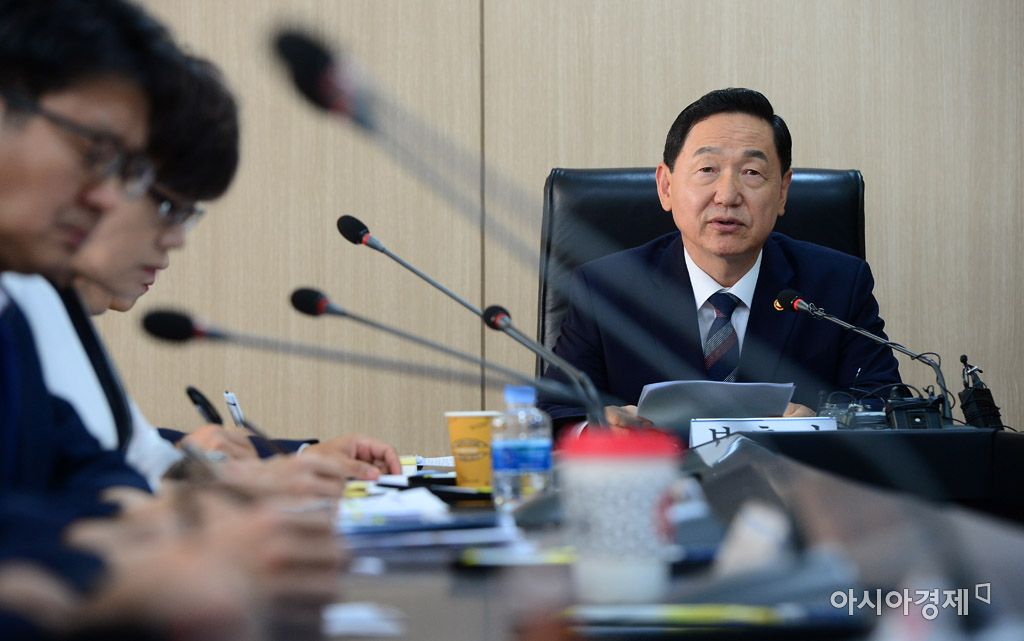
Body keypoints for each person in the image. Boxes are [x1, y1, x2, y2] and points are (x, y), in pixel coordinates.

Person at [0, 2, 343, 637]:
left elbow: (90, 471)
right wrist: (119, 576)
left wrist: (191, 521)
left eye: (125, 170)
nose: (107, 197)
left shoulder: (11, 311)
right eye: (98, 152)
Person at [542, 88, 901, 430]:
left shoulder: (838, 286)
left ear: (782, 192)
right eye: (707, 170)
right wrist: (596, 430)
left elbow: (885, 407)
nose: (727, 196)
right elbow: (554, 414)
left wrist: (821, 425)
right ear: (666, 186)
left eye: (751, 172)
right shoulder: (605, 289)